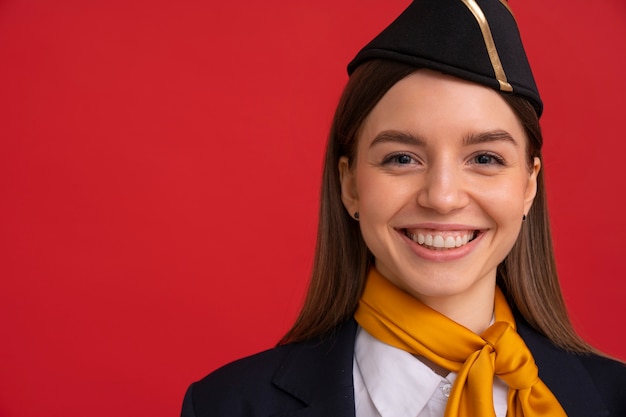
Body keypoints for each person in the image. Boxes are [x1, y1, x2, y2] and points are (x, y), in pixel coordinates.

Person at [180, 0, 626, 416]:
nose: (443, 196)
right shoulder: (227, 405)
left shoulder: (614, 398)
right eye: (402, 158)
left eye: (485, 159)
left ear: (529, 185)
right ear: (350, 184)